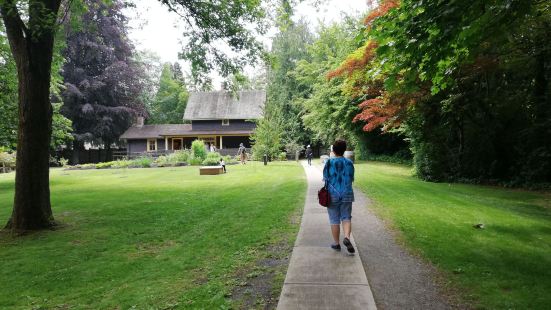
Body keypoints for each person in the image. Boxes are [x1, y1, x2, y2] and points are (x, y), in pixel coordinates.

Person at [322, 139, 355, 254]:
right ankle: (346, 237)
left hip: (332, 194)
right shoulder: (349, 163)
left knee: (334, 219)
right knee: (346, 217)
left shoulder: (329, 163)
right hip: (347, 193)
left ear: (333, 150)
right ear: (344, 150)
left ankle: (336, 244)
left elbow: (325, 179)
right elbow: (351, 179)